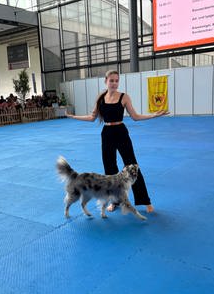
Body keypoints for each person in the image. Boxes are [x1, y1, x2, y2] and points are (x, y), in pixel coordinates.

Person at [65, 70, 169, 213]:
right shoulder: (100, 99)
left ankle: (145, 201)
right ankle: (115, 202)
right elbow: (92, 117)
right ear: (105, 81)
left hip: (121, 132)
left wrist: (153, 115)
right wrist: (73, 116)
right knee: (110, 169)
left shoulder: (124, 97)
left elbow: (135, 116)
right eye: (111, 80)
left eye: (116, 80)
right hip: (106, 134)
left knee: (133, 166)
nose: (114, 83)